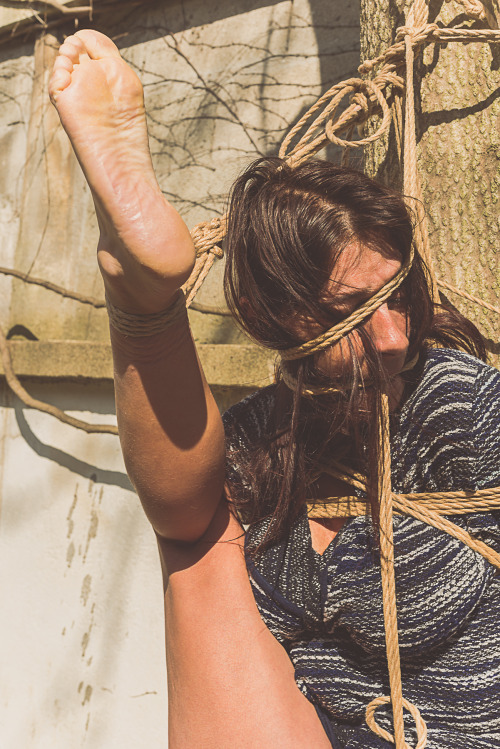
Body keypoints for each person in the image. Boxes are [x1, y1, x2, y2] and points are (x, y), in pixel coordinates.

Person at [49, 30, 500, 749]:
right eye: (349, 309)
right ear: (276, 321)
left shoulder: (464, 407)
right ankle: (139, 295)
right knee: (197, 544)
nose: (389, 334)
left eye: (397, 297)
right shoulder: (268, 434)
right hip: (315, 729)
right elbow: (188, 514)